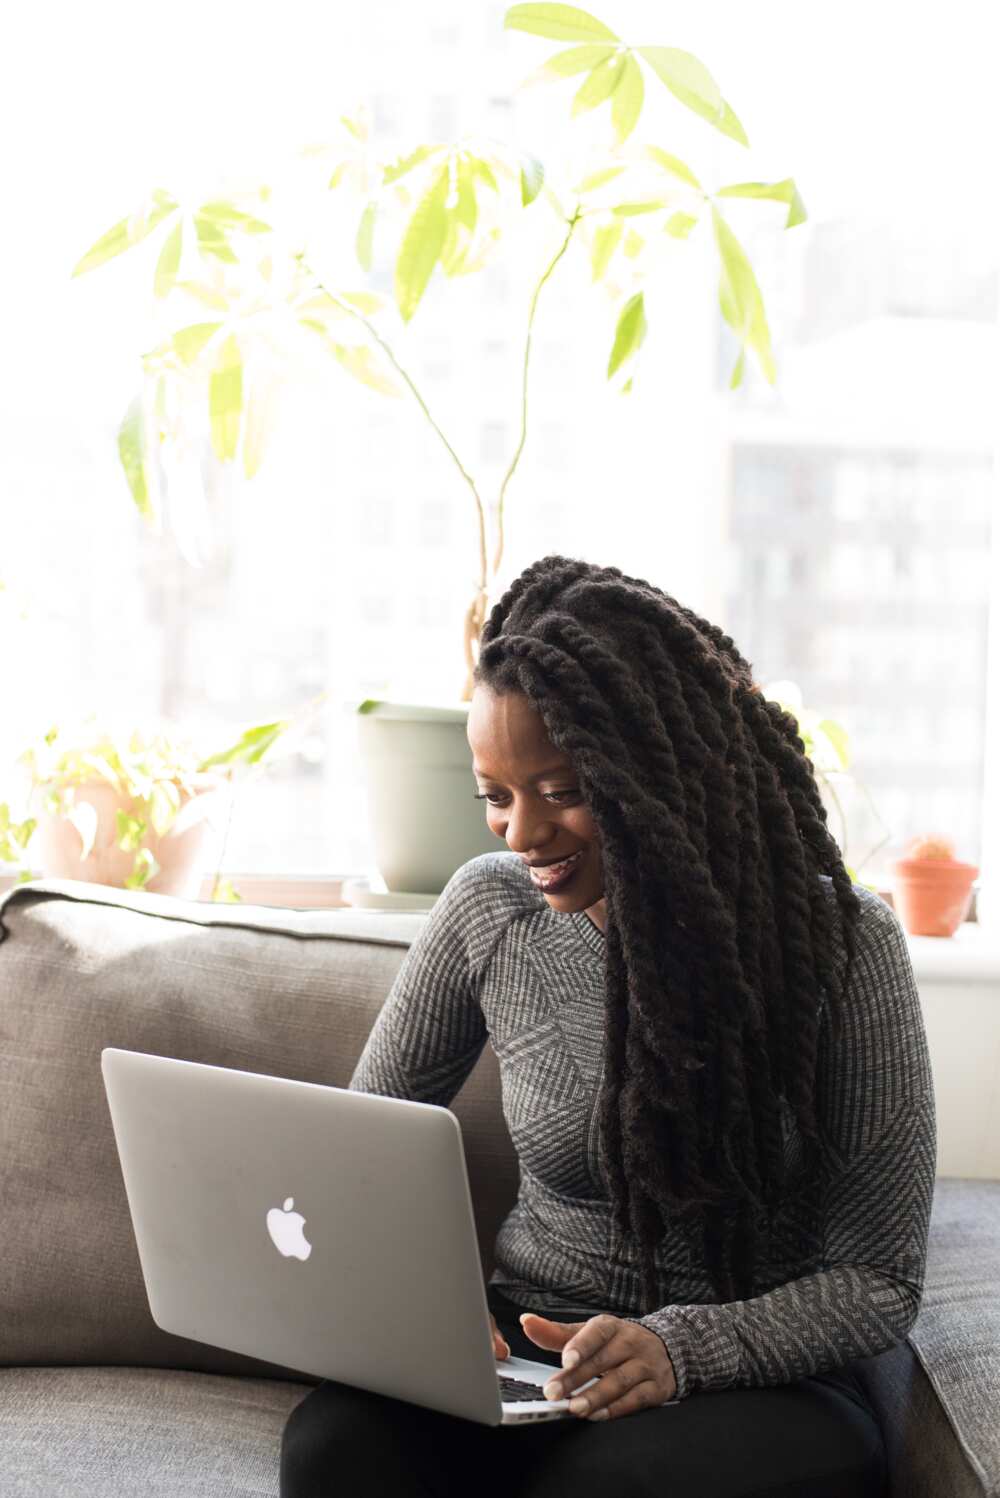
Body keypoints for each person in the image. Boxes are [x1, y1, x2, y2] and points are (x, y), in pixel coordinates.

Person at [280, 553, 935, 1498]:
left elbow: (879, 1278)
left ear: (659, 773)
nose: (520, 833)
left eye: (560, 791)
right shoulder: (487, 913)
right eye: (495, 797)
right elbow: (355, 1149)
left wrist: (678, 1350)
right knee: (336, 1452)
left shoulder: (842, 946)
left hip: (750, 1377)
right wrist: (425, 1312)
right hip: (531, 1347)